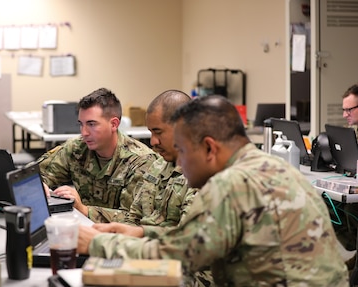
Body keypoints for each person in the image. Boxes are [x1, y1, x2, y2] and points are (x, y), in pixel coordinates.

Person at [78, 95, 349, 286]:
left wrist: (96, 243)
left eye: (183, 151)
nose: (179, 162)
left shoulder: (231, 185)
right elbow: (200, 238)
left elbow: (177, 257)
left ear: (209, 148)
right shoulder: (272, 166)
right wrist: (142, 231)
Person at [92, 89, 213, 286]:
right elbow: (133, 219)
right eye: (150, 133)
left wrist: (112, 245)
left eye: (158, 132)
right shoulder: (159, 165)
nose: (153, 142)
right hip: (150, 258)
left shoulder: (203, 175)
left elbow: (185, 245)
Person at [38, 87, 158, 223]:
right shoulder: (77, 148)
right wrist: (40, 185)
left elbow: (135, 220)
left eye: (91, 124)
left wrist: (84, 210)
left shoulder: (141, 161)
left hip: (119, 240)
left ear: (114, 124)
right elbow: (36, 174)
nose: (84, 132)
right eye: (81, 124)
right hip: (83, 228)